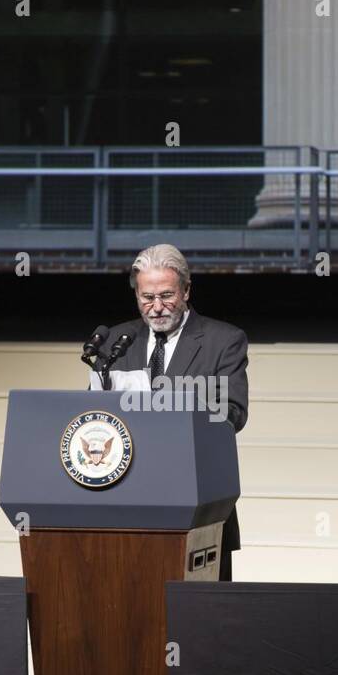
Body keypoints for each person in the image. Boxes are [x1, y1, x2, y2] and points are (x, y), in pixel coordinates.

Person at [90, 243, 248, 580]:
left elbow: (233, 413)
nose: (157, 307)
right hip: (125, 505)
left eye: (166, 296)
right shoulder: (117, 341)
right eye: (147, 297)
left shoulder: (224, 340)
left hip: (198, 508)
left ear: (187, 290)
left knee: (199, 622)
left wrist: (162, 406)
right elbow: (94, 415)